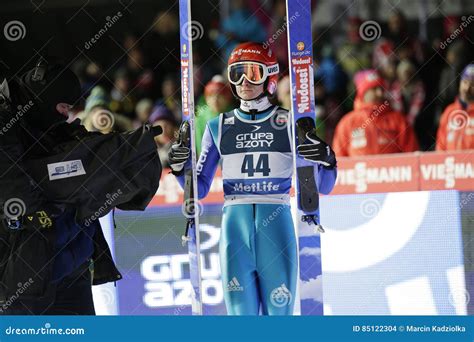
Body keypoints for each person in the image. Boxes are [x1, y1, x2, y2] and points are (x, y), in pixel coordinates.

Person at [168, 42, 337, 315]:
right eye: (236, 74)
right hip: (235, 227)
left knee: (278, 319)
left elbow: (324, 187)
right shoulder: (217, 126)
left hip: (276, 224)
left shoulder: (290, 123)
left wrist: (328, 159)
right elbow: (196, 189)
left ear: (269, 77)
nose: (244, 81)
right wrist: (179, 169)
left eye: (253, 73)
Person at [0, 59, 162, 315]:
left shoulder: (44, 124)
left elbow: (91, 157)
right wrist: (36, 211)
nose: (66, 115)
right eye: (63, 107)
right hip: (24, 270)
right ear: (47, 97)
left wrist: (154, 154)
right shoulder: (6, 119)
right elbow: (8, 176)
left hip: (71, 263)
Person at [333, 69, 418, 156]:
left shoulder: (399, 120)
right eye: (374, 89)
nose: (380, 93)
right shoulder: (347, 123)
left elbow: (411, 156)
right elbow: (338, 161)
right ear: (363, 93)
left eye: (381, 88)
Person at [436, 64, 474, 151]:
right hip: (450, 163)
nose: (467, 88)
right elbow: (440, 145)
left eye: (472, 85)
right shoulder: (449, 111)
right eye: (465, 82)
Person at [195, 75, 234, 154]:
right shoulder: (200, 117)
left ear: (227, 98)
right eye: (211, 96)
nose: (215, 100)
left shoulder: (235, 114)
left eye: (220, 96)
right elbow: (199, 144)